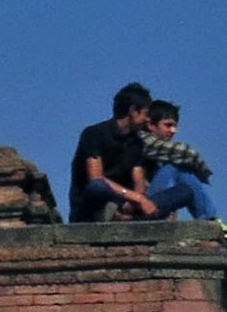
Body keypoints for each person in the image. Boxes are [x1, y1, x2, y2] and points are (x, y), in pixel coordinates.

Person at [139, 99, 227, 240]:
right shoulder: (142, 139)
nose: (173, 131)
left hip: (153, 201)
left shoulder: (158, 151)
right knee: (177, 166)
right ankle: (209, 220)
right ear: (151, 125)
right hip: (140, 204)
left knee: (181, 170)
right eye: (168, 125)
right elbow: (187, 153)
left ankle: (210, 220)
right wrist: (203, 172)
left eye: (175, 126)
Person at [68, 82, 160, 222]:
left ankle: (125, 214)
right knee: (97, 187)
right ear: (133, 111)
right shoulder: (94, 133)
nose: (148, 119)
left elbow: (138, 180)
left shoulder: (137, 143)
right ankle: (113, 212)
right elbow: (96, 177)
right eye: (146, 113)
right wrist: (130, 198)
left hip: (128, 203)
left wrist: (138, 200)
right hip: (92, 206)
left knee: (183, 191)